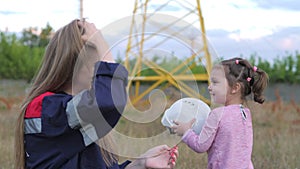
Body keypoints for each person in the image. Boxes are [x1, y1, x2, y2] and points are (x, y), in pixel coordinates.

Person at [15, 19, 178, 169]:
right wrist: (101, 44)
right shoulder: (45, 108)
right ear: (76, 64)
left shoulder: (78, 114)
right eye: (98, 63)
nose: (101, 71)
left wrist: (141, 163)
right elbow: (108, 101)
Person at [171, 57, 269, 168]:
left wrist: (186, 132)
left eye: (215, 82)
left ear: (235, 88)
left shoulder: (217, 114)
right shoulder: (245, 114)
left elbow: (200, 146)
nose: (209, 87)